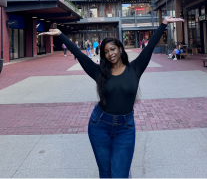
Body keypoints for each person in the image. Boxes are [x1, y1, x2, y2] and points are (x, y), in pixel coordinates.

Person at [39, 16, 184, 178]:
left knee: (120, 174)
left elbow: (149, 47)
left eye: (113, 49)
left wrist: (164, 24)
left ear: (120, 49)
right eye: (106, 51)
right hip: (99, 125)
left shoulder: (135, 68)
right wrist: (61, 35)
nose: (110, 53)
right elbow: (81, 57)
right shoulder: (99, 72)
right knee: (106, 173)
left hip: (125, 128)